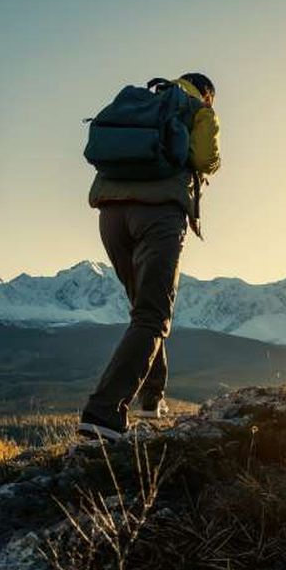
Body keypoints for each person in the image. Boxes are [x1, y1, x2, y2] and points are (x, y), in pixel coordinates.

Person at [79, 72, 220, 440]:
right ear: (207, 95)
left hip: (111, 214)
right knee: (152, 315)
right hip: (158, 214)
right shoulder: (200, 110)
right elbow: (205, 159)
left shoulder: (141, 101)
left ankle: (151, 397)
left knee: (143, 309)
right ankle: (104, 413)